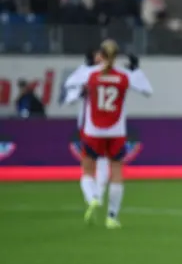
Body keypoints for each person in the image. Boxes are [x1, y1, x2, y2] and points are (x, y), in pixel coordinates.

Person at [64, 39, 153, 228]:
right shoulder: (124, 75)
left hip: (93, 130)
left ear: (100, 55)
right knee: (117, 173)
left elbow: (69, 85)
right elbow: (147, 90)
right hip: (117, 130)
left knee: (87, 170)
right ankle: (112, 216)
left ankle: (94, 197)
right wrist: (136, 70)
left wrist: (82, 87)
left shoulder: (90, 74)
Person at [63, 50, 110, 206]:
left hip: (107, 124)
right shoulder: (84, 73)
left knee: (102, 162)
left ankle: (96, 197)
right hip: (91, 125)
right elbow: (70, 94)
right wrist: (81, 91)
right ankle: (94, 196)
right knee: (94, 161)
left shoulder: (107, 72)